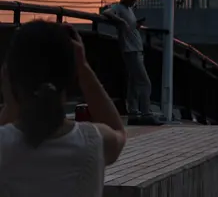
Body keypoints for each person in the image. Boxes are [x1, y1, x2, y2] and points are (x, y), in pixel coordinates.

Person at [0, 20, 128, 196]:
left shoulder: (4, 145)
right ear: (70, 76)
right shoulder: (93, 141)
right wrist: (83, 68)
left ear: (9, 77)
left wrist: (11, 103)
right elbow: (118, 131)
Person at [102, 0, 157, 125]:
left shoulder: (129, 9)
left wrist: (135, 25)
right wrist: (121, 22)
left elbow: (129, 27)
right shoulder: (119, 8)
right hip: (130, 50)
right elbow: (106, 12)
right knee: (144, 82)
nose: (135, 0)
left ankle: (133, 113)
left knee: (133, 84)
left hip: (136, 49)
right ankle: (146, 113)